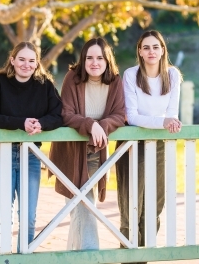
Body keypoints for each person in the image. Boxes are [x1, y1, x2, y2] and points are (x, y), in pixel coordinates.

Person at [0, 41, 63, 252]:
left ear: (37, 62)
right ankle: (5, 257)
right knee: (4, 213)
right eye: (21, 59)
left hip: (30, 154)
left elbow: (58, 114)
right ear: (12, 60)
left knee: (28, 216)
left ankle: (24, 256)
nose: (26, 65)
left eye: (31, 60)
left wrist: (42, 124)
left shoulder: (45, 85)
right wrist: (21, 123)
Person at [49, 37, 125, 250]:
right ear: (82, 60)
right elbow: (66, 113)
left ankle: (74, 255)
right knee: (82, 206)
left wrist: (104, 124)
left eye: (100, 58)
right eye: (89, 58)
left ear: (107, 60)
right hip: (72, 153)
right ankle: (90, 255)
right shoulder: (72, 78)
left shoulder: (115, 82)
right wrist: (91, 125)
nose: (94, 62)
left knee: (81, 206)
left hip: (97, 151)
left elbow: (120, 114)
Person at [116, 30, 182, 264]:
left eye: (156, 47)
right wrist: (162, 122)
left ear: (163, 50)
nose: (151, 51)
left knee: (155, 203)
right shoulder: (131, 75)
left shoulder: (173, 76)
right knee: (131, 203)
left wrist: (166, 123)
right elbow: (132, 117)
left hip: (158, 143)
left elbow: (172, 116)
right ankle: (128, 257)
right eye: (146, 47)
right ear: (140, 52)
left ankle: (143, 257)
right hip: (132, 144)